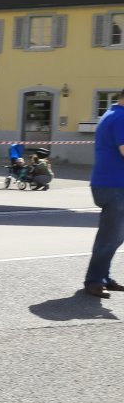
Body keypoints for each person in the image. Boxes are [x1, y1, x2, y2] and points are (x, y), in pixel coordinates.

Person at [83, 87, 124, 299]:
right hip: (114, 186)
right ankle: (94, 280)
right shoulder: (121, 118)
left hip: (110, 184)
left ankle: (102, 276)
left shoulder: (112, 113)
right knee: (110, 236)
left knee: (114, 236)